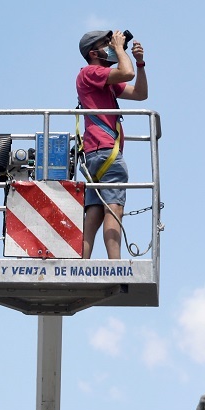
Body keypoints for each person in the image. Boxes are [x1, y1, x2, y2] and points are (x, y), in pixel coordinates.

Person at [76, 30, 148, 259]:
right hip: (106, 151)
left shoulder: (102, 79)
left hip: (96, 154)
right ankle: (114, 265)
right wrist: (119, 48)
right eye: (106, 43)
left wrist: (140, 63)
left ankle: (81, 264)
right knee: (114, 207)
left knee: (95, 212)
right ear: (94, 52)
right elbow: (125, 73)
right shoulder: (91, 72)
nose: (111, 45)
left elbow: (140, 94)